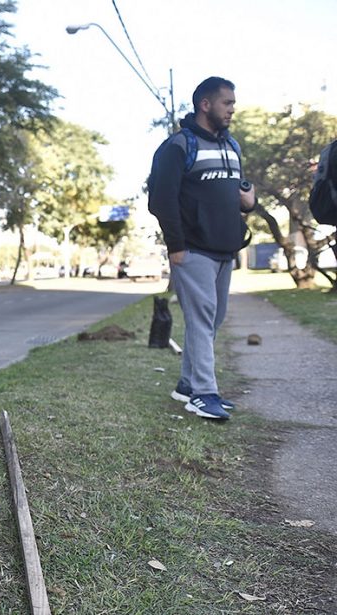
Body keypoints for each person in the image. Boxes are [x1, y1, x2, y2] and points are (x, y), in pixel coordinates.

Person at [148, 76, 256, 421]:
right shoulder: (178, 146)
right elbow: (160, 201)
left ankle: (185, 385)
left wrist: (249, 200)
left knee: (212, 321)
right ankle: (204, 394)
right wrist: (176, 247)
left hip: (226, 250)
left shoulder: (232, 145)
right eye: (227, 103)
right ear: (205, 104)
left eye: (233, 104)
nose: (232, 110)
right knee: (201, 319)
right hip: (192, 250)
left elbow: (239, 193)